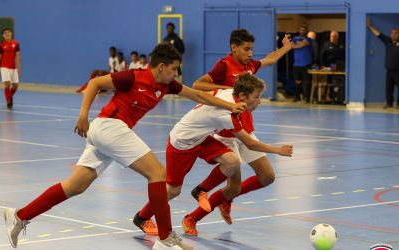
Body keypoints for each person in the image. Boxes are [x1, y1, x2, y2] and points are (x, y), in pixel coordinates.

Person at [2, 43, 246, 250]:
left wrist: (229, 106)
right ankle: (165, 238)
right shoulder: (132, 76)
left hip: (110, 134)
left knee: (76, 185)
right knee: (158, 174)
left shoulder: (167, 85)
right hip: (108, 127)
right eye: (173, 69)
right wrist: (83, 116)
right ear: (161, 67)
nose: (176, 74)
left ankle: (20, 215)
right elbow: (96, 83)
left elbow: (200, 96)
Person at [132, 73, 293, 236]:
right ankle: (142, 217)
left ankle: (200, 190)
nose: (259, 101)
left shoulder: (228, 93)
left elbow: (204, 95)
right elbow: (250, 143)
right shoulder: (229, 114)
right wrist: (278, 150)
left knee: (232, 161)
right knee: (173, 190)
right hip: (182, 143)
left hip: (202, 139)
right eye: (257, 97)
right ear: (243, 95)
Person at [189, 28, 292, 231]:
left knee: (267, 177)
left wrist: (286, 47)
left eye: (252, 49)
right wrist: (226, 89)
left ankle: (226, 199)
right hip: (227, 134)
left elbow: (269, 60)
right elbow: (197, 85)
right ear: (234, 47)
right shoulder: (224, 66)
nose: (250, 53)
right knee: (233, 186)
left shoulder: (250, 65)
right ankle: (192, 218)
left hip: (246, 130)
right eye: (246, 49)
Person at [367, 18, 399, 109]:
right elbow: (379, 34)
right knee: (388, 88)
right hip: (389, 69)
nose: (393, 35)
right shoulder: (388, 41)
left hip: (398, 70)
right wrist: (370, 26)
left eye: (396, 33)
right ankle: (389, 103)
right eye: (392, 33)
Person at [0, 28, 21, 109]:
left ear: (11, 34)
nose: (7, 33)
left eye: (9, 32)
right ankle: (8, 101)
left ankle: (9, 96)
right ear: (3, 35)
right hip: (4, 67)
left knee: (15, 86)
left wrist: (19, 68)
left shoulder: (16, 43)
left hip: (13, 67)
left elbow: (18, 56)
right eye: (5, 33)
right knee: (7, 84)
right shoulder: (1, 45)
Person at [291, 25, 312, 102]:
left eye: (304, 30)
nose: (302, 31)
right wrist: (297, 45)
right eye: (301, 30)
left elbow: (303, 44)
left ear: (306, 31)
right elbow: (291, 45)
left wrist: (297, 45)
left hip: (306, 63)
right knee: (297, 81)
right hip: (296, 64)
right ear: (299, 30)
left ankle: (307, 98)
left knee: (306, 82)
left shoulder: (309, 39)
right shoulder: (295, 38)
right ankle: (297, 97)